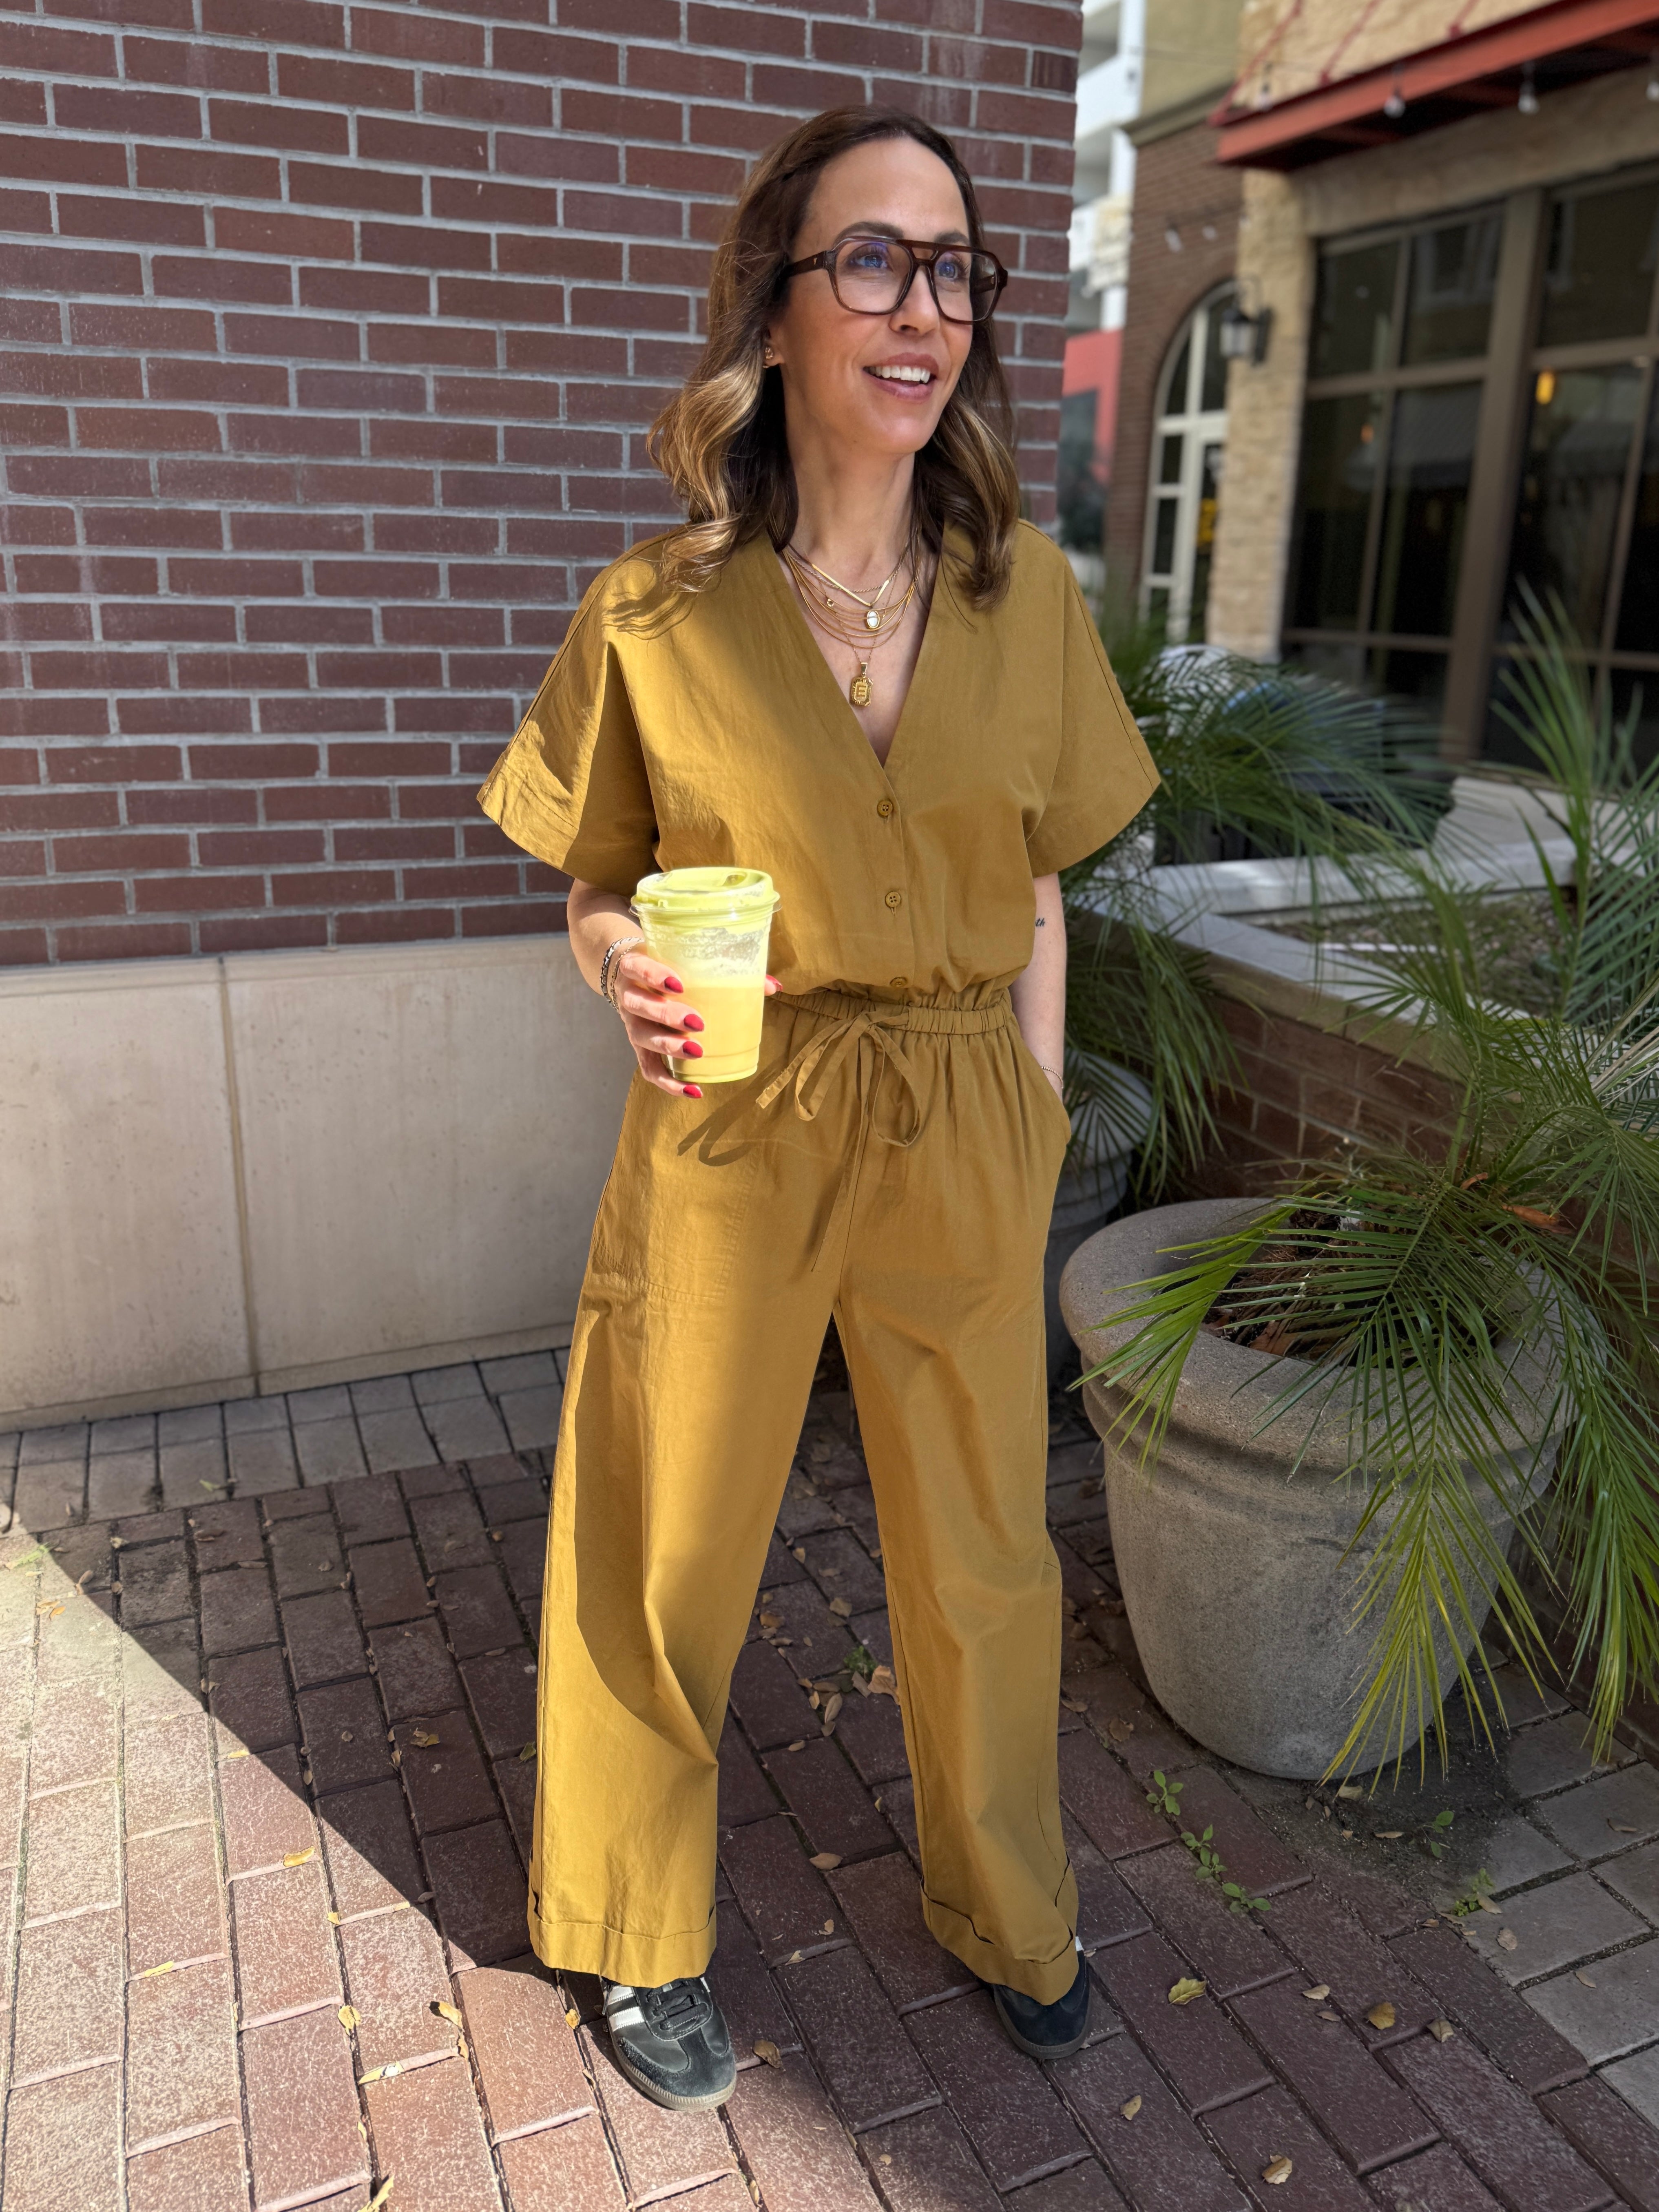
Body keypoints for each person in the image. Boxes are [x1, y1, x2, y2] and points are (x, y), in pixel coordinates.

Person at [478, 104, 1157, 2113]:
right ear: (775, 308)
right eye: (872, 258)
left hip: (962, 1103)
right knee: (664, 1524)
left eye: (953, 269)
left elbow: (1042, 888)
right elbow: (595, 888)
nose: (922, 308)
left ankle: (1010, 1903)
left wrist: (1033, 1113)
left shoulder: (1029, 599)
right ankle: (631, 1923)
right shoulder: (655, 612)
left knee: (987, 1550)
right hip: (737, 1111)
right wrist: (621, 972)